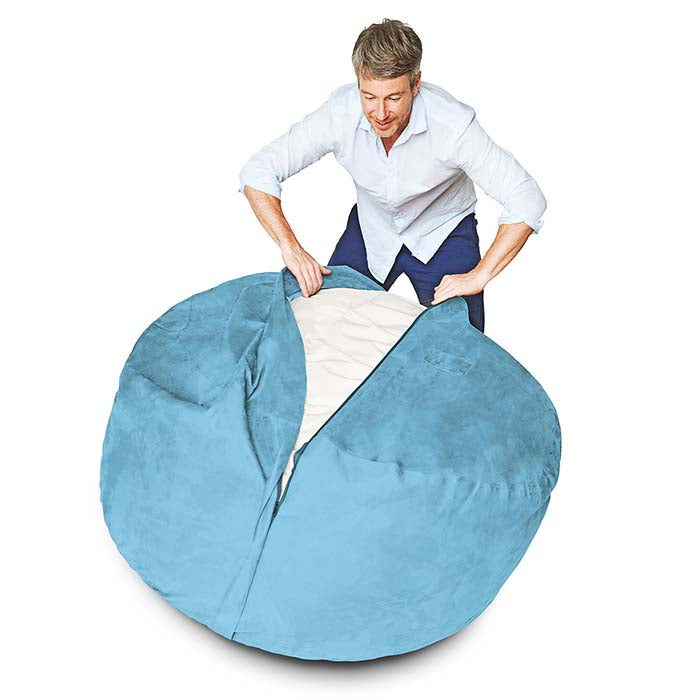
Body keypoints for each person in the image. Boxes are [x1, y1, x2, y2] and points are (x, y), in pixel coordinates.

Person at [238, 18, 547, 333]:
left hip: (442, 232)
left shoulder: (453, 126)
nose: (381, 113)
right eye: (369, 97)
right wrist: (290, 247)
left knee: (458, 344)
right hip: (372, 229)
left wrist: (480, 275)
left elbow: (526, 198)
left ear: (416, 84)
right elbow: (258, 171)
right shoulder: (339, 113)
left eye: (394, 98)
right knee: (329, 323)